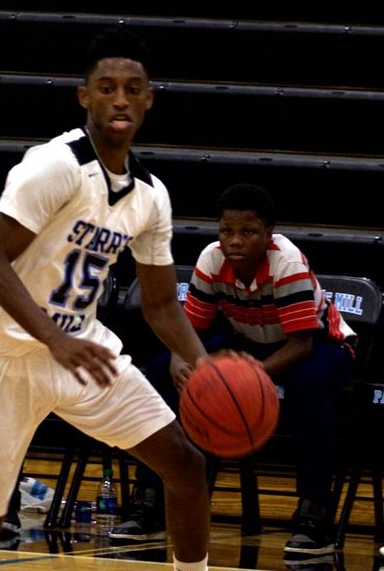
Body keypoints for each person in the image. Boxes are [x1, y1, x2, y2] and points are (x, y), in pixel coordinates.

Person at [0, 26, 212, 571]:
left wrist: (202, 365)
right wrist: (54, 337)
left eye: (133, 88)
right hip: (3, 354)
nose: (120, 99)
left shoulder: (152, 196)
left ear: (149, 98)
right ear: (85, 96)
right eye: (106, 87)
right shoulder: (55, 165)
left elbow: (159, 305)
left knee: (184, 464)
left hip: (82, 352)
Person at [110, 183, 356, 557]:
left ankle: (314, 516)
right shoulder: (211, 260)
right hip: (251, 339)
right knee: (160, 371)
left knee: (310, 385)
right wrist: (180, 360)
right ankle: (150, 502)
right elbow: (187, 332)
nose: (235, 241)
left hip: (320, 345)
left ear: (268, 235)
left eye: (248, 232)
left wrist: (248, 377)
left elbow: (301, 344)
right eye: (227, 231)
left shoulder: (285, 263)